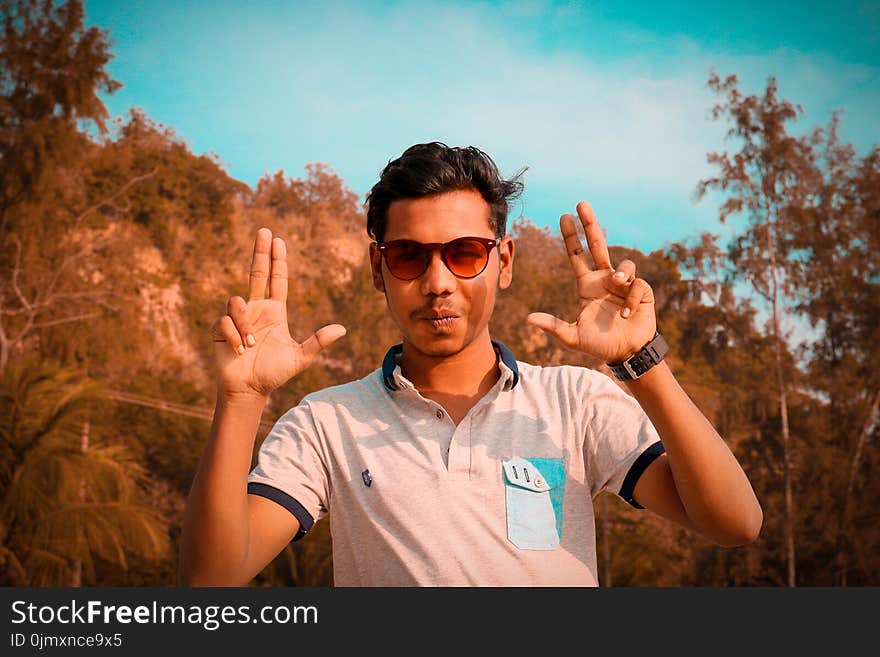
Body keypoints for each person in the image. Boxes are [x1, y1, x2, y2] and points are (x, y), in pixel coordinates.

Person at [179, 142, 762, 587]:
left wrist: (644, 359)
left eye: (464, 254)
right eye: (408, 256)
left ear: (503, 261)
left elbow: (736, 524)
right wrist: (239, 399)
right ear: (377, 269)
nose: (437, 284)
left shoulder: (576, 403)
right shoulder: (326, 423)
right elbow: (211, 581)